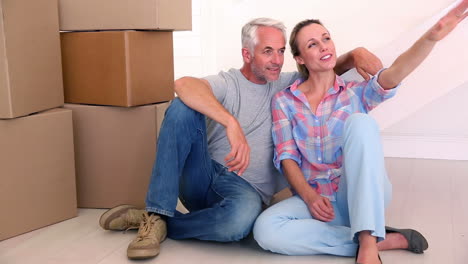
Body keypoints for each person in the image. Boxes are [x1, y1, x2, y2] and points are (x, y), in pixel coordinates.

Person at [97, 17, 382, 260]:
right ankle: (157, 209)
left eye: (281, 51)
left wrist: (354, 54)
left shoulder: (288, 85)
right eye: (267, 52)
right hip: (204, 175)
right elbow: (182, 84)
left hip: (245, 194)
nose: (276, 60)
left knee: (239, 224)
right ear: (247, 54)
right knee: (183, 107)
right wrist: (231, 123)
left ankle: (159, 222)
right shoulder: (229, 82)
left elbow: (321, 65)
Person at [252, 2, 467, 264]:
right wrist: (309, 197)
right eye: (312, 45)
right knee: (266, 230)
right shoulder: (284, 101)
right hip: (318, 199)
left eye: (326, 39)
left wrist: (430, 38)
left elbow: (394, 73)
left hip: (360, 194)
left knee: (360, 123)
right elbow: (287, 157)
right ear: (299, 59)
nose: (324, 47)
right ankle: (384, 239)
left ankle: (367, 242)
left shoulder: (355, 92)